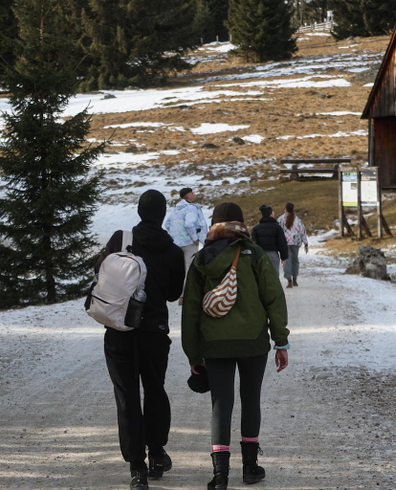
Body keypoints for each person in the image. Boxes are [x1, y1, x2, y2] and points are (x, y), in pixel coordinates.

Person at [181, 202, 290, 490]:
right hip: (253, 341)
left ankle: (220, 476)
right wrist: (281, 341)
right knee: (250, 398)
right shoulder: (254, 255)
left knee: (221, 403)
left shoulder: (202, 258)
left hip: (214, 344)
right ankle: (251, 468)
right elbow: (274, 298)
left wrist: (193, 352)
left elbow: (190, 309)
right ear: (241, 223)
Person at [97, 190, 185, 490]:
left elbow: (101, 273)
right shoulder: (173, 250)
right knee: (155, 390)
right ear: (163, 215)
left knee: (127, 397)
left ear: (138, 212)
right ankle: (158, 454)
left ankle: (137, 468)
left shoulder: (119, 239)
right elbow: (174, 294)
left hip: (119, 331)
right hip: (154, 332)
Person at [163, 187, 208, 277]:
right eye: (192, 193)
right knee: (190, 269)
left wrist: (176, 234)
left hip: (176, 243)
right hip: (189, 243)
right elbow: (189, 224)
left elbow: (167, 223)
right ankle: (188, 290)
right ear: (187, 195)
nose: (194, 195)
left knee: (178, 269)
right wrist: (195, 238)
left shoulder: (176, 209)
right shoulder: (191, 208)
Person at [250, 205, 288, 275]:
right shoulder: (277, 227)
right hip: (273, 254)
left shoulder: (256, 228)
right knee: (274, 276)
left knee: (262, 275)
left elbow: (253, 243)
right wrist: (284, 256)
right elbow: (282, 243)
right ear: (271, 214)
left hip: (260, 255)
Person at [279, 202, 309, 288]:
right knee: (295, 260)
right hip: (296, 243)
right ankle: (295, 279)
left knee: (286, 260)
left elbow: (278, 231)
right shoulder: (298, 220)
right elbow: (303, 232)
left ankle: (289, 280)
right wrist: (306, 244)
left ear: (285, 209)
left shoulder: (280, 219)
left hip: (284, 243)